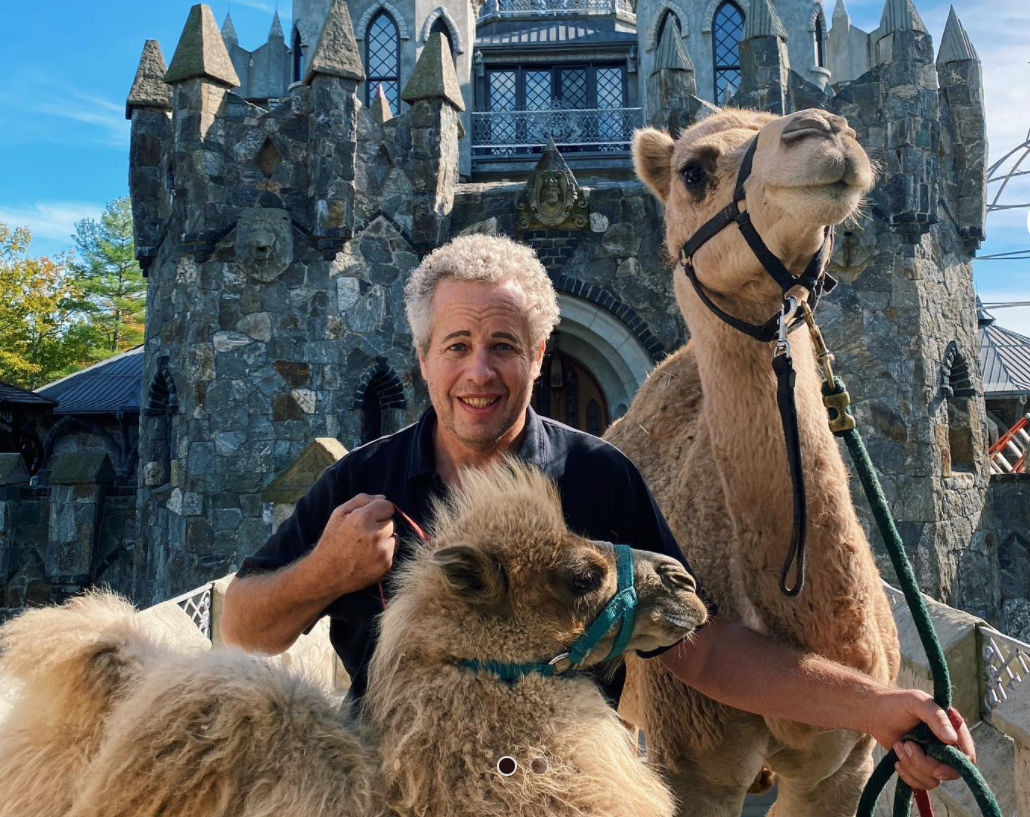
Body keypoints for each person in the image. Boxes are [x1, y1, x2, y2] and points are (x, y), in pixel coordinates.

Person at [220, 234, 974, 795]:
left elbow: (703, 648)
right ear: (424, 359)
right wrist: (324, 571)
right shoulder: (364, 480)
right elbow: (244, 629)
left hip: (564, 783)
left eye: (503, 346)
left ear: (540, 356)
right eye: (457, 345)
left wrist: (875, 707)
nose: (479, 371)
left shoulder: (596, 477)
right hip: (392, 783)